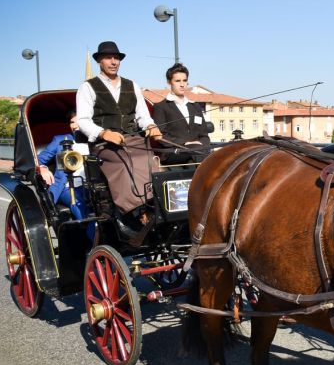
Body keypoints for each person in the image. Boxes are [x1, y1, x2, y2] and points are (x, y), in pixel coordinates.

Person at [76, 41, 162, 227]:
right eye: (108, 58)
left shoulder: (132, 85)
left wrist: (151, 126)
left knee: (150, 159)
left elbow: (143, 117)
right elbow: (83, 120)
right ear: (99, 61)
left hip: (133, 140)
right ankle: (137, 210)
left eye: (116, 58)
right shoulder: (88, 87)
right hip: (104, 146)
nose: (113, 62)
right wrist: (103, 133)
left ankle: (157, 204)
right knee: (128, 161)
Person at [151, 63, 211, 164]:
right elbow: (161, 136)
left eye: (185, 80)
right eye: (177, 81)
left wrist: (201, 143)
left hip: (198, 150)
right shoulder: (161, 107)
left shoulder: (195, 107)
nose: (182, 84)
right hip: (173, 152)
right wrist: (185, 143)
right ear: (169, 82)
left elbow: (204, 134)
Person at [36, 112, 90, 220]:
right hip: (67, 187)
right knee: (80, 205)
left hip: (92, 186)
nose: (74, 126)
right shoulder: (60, 140)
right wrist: (42, 168)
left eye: (78, 122)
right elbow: (38, 160)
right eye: (71, 122)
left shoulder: (95, 140)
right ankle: (93, 234)